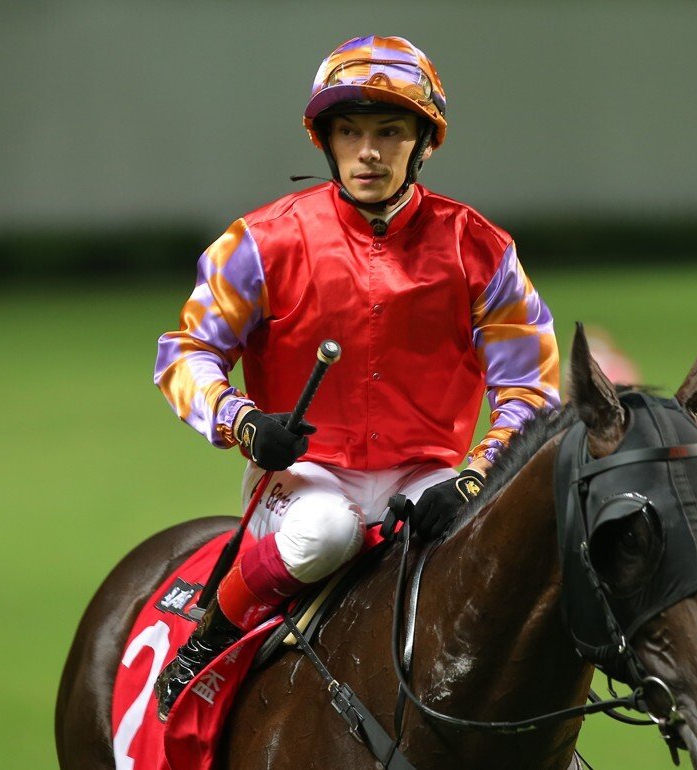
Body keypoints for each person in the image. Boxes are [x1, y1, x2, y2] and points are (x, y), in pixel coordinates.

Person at [150, 35, 560, 720]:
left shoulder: (481, 249)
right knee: (325, 533)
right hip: (304, 476)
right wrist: (243, 421)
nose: (368, 151)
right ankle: (210, 634)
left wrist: (476, 476)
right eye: (351, 131)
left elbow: (531, 388)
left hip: (426, 474)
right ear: (326, 140)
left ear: (422, 143)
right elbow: (185, 355)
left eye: (389, 131)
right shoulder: (259, 241)